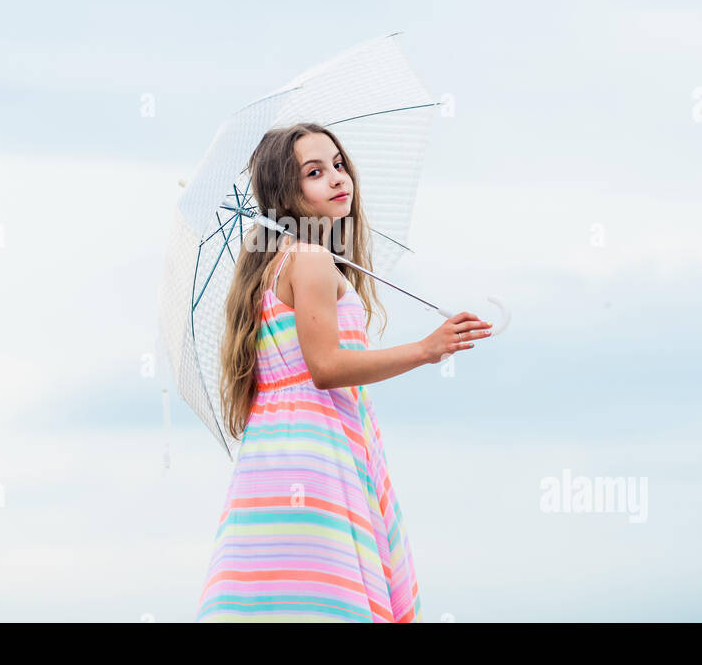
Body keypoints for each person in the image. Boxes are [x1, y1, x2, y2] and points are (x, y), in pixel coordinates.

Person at [195, 122, 492, 622]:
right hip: (316, 454)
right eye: (315, 172)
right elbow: (327, 368)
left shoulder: (278, 263)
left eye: (337, 164)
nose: (337, 178)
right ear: (287, 193)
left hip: (278, 457)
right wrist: (427, 348)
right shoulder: (309, 259)